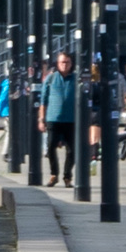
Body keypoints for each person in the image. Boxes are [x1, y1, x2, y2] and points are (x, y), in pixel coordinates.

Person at [41, 51, 82, 182]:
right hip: (53, 118)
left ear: (71, 64)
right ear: (57, 64)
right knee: (50, 147)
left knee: (72, 150)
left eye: (67, 62)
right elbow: (43, 100)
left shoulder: (76, 79)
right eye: (62, 62)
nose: (64, 65)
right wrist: (41, 119)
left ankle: (67, 175)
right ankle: (54, 174)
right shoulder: (51, 78)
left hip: (71, 119)